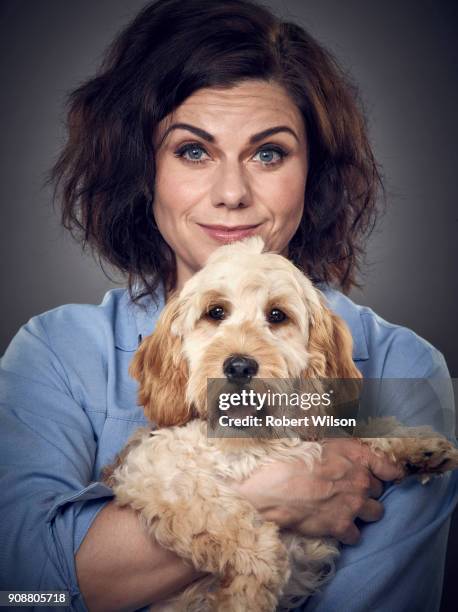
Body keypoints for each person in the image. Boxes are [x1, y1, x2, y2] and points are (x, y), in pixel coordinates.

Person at [0, 0, 456, 610]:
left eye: (269, 153)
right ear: (145, 171)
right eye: (193, 151)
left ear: (311, 172)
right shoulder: (57, 353)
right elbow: (23, 595)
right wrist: (260, 498)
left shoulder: (402, 369)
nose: (233, 194)